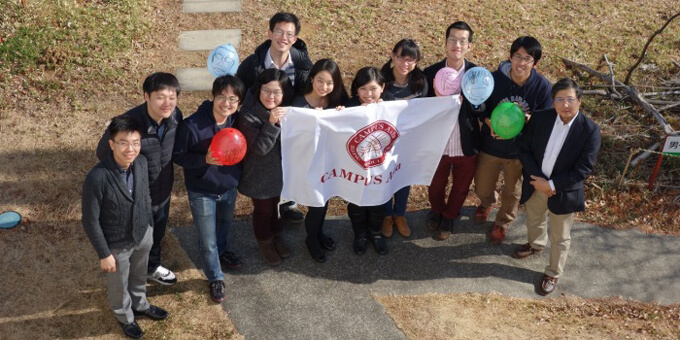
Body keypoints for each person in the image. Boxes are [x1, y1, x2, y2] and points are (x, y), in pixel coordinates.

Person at [83, 116, 169, 339]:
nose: (131, 149)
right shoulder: (98, 177)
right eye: (123, 142)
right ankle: (125, 316)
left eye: (136, 142)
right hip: (116, 242)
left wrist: (148, 223)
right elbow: (90, 220)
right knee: (119, 284)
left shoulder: (140, 162)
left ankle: (140, 304)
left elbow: (144, 195)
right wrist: (104, 253)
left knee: (139, 274)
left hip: (142, 234)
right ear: (112, 144)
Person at [515, 78, 601, 295]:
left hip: (563, 191)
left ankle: (553, 272)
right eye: (559, 99)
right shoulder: (541, 118)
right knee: (534, 220)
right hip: (536, 183)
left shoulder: (590, 130)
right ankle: (536, 245)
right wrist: (538, 181)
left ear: (579, 101)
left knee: (561, 236)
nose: (565, 104)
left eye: (570, 99)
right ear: (553, 102)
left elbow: (583, 168)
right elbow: (524, 148)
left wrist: (551, 184)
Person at [96, 72, 182, 286]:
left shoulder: (175, 117)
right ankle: (128, 277)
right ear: (146, 96)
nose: (167, 103)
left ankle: (151, 267)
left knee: (157, 234)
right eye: (161, 96)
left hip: (162, 190)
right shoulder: (130, 123)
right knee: (131, 238)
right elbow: (103, 152)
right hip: (135, 196)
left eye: (172, 97)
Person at [473, 36, 553, 245]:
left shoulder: (542, 86)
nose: (522, 62)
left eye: (528, 58)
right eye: (518, 56)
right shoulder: (493, 80)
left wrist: (528, 120)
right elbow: (480, 108)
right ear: (510, 56)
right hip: (490, 145)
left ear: (535, 63)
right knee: (482, 186)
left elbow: (546, 118)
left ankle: (503, 221)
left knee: (513, 191)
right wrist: (490, 123)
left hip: (519, 151)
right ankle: (487, 202)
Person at [173, 76, 245, 303]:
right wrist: (204, 159)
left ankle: (221, 252)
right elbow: (178, 156)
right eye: (222, 97)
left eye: (233, 99)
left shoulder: (237, 121)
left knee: (224, 226)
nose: (226, 103)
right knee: (207, 239)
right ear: (212, 97)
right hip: (202, 190)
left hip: (228, 187)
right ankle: (215, 277)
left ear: (239, 102)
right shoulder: (192, 126)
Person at [236, 12, 312, 223]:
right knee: (267, 162)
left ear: (295, 39)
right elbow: (238, 89)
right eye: (278, 31)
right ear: (269, 33)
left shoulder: (303, 65)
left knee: (290, 162)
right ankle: (267, 209)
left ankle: (288, 203)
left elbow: (313, 92)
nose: (283, 38)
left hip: (291, 124)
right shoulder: (253, 63)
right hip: (261, 123)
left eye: (289, 34)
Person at [422, 21, 482, 240]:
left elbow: (483, 107)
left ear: (469, 46)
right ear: (446, 43)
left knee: (461, 186)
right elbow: (421, 107)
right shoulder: (430, 73)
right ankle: (436, 210)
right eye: (453, 39)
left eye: (463, 41)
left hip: (466, 141)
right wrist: (437, 100)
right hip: (438, 143)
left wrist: (473, 100)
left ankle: (449, 216)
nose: (457, 44)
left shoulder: (477, 74)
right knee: (435, 184)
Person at [291, 59, 348, 263]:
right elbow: (293, 136)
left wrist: (343, 113)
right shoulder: (300, 104)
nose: (324, 87)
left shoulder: (338, 100)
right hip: (308, 163)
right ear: (312, 78)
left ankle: (318, 233)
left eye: (330, 82)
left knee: (324, 201)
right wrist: (309, 120)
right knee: (316, 203)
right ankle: (312, 239)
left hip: (331, 162)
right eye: (320, 80)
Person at [238, 69, 294, 266]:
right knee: (263, 210)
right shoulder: (247, 114)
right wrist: (272, 124)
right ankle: (265, 243)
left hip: (280, 173)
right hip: (258, 174)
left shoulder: (289, 111)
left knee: (277, 208)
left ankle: (278, 237)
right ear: (258, 90)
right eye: (266, 91)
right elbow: (260, 149)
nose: (271, 97)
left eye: (276, 92)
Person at [379, 39, 429, 239]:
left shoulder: (420, 82)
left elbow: (427, 110)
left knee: (403, 178)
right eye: (401, 57)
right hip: (384, 141)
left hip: (409, 141)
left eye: (411, 59)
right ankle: (386, 215)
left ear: (416, 62)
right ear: (393, 56)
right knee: (384, 178)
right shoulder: (381, 80)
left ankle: (400, 215)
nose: (405, 63)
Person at [345, 67, 394, 255]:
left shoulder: (390, 106)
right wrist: (340, 114)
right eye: (363, 89)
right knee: (356, 201)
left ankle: (375, 233)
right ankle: (360, 235)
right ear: (356, 89)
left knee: (378, 201)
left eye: (373, 88)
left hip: (380, 166)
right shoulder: (349, 105)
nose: (368, 94)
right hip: (354, 166)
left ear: (382, 87)